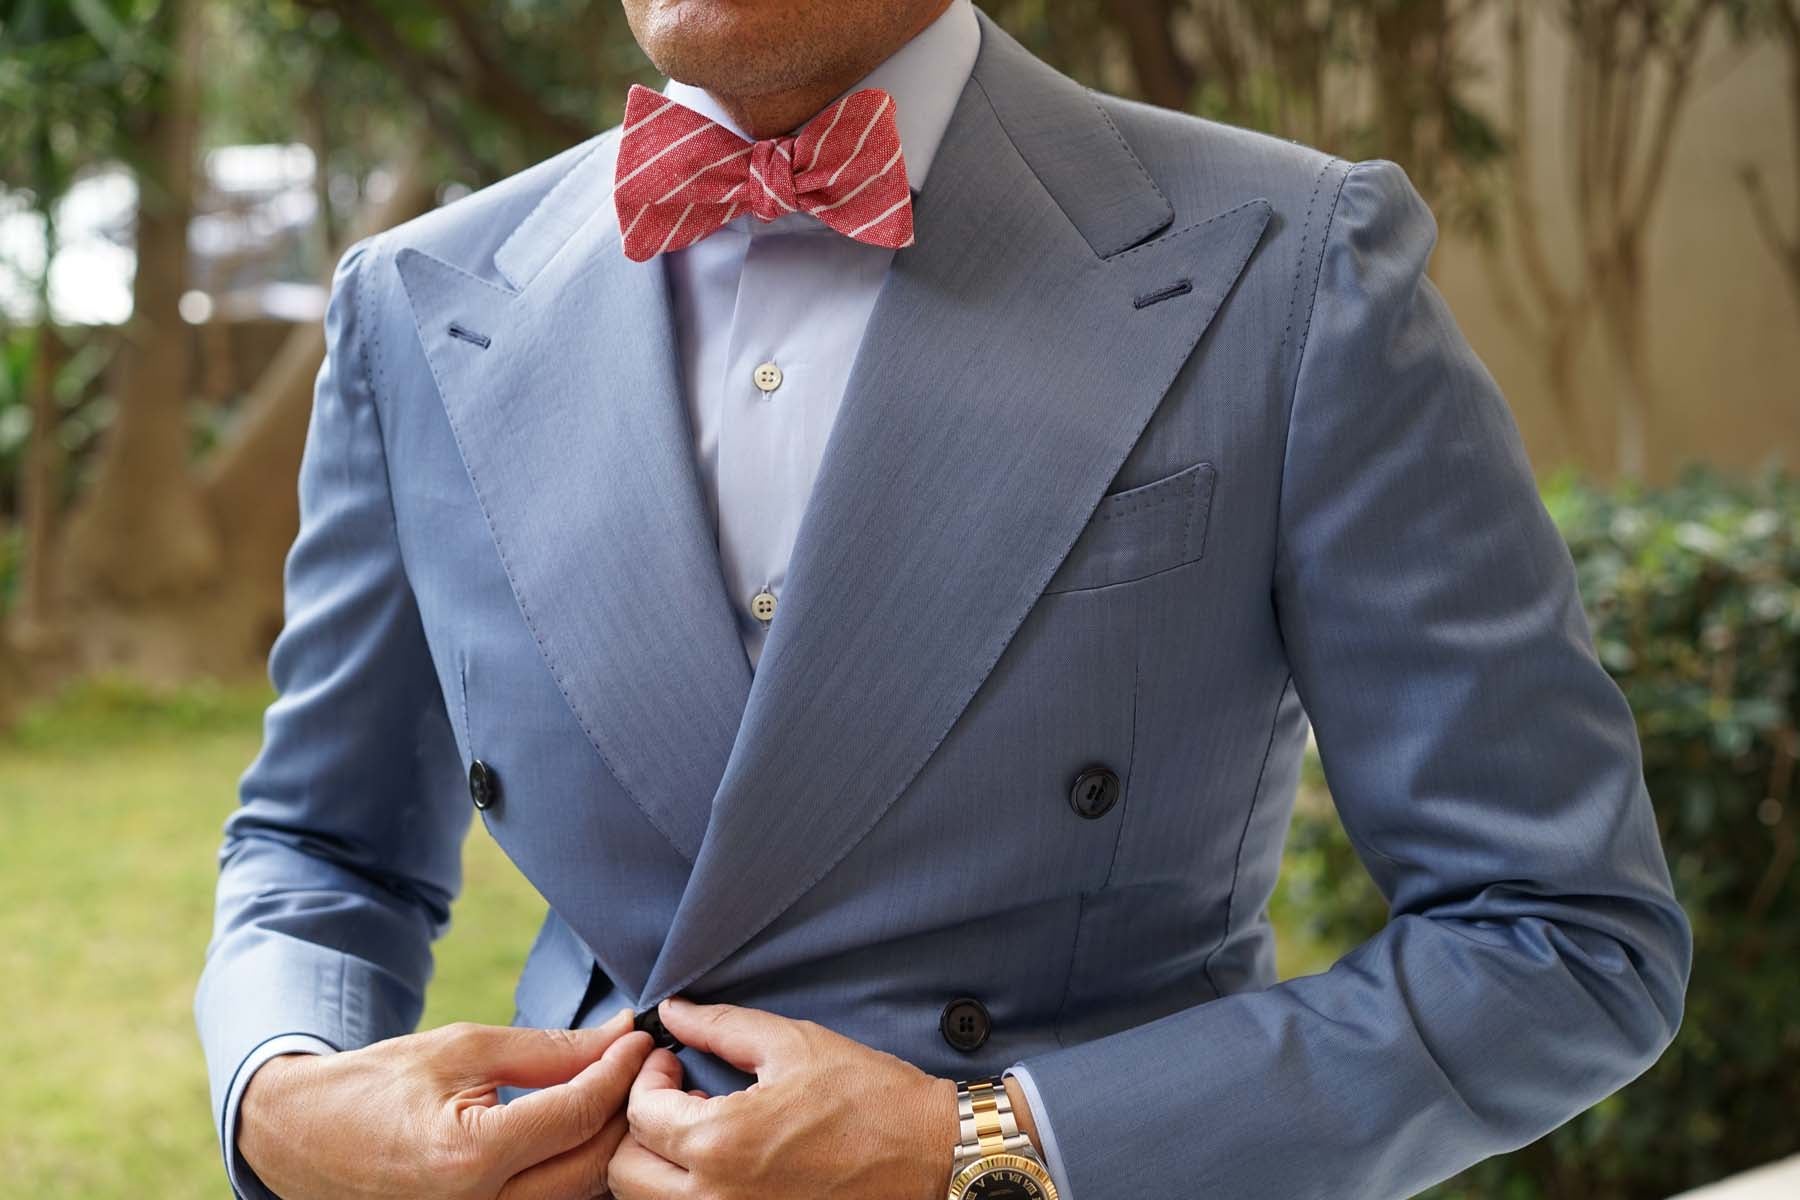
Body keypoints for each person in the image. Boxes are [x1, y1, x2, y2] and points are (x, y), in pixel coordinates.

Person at [194, 1, 1694, 1196]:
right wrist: (282, 1090)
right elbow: (319, 849)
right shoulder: (419, 302)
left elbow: (1561, 938)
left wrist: (991, 1145)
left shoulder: (1293, 269)